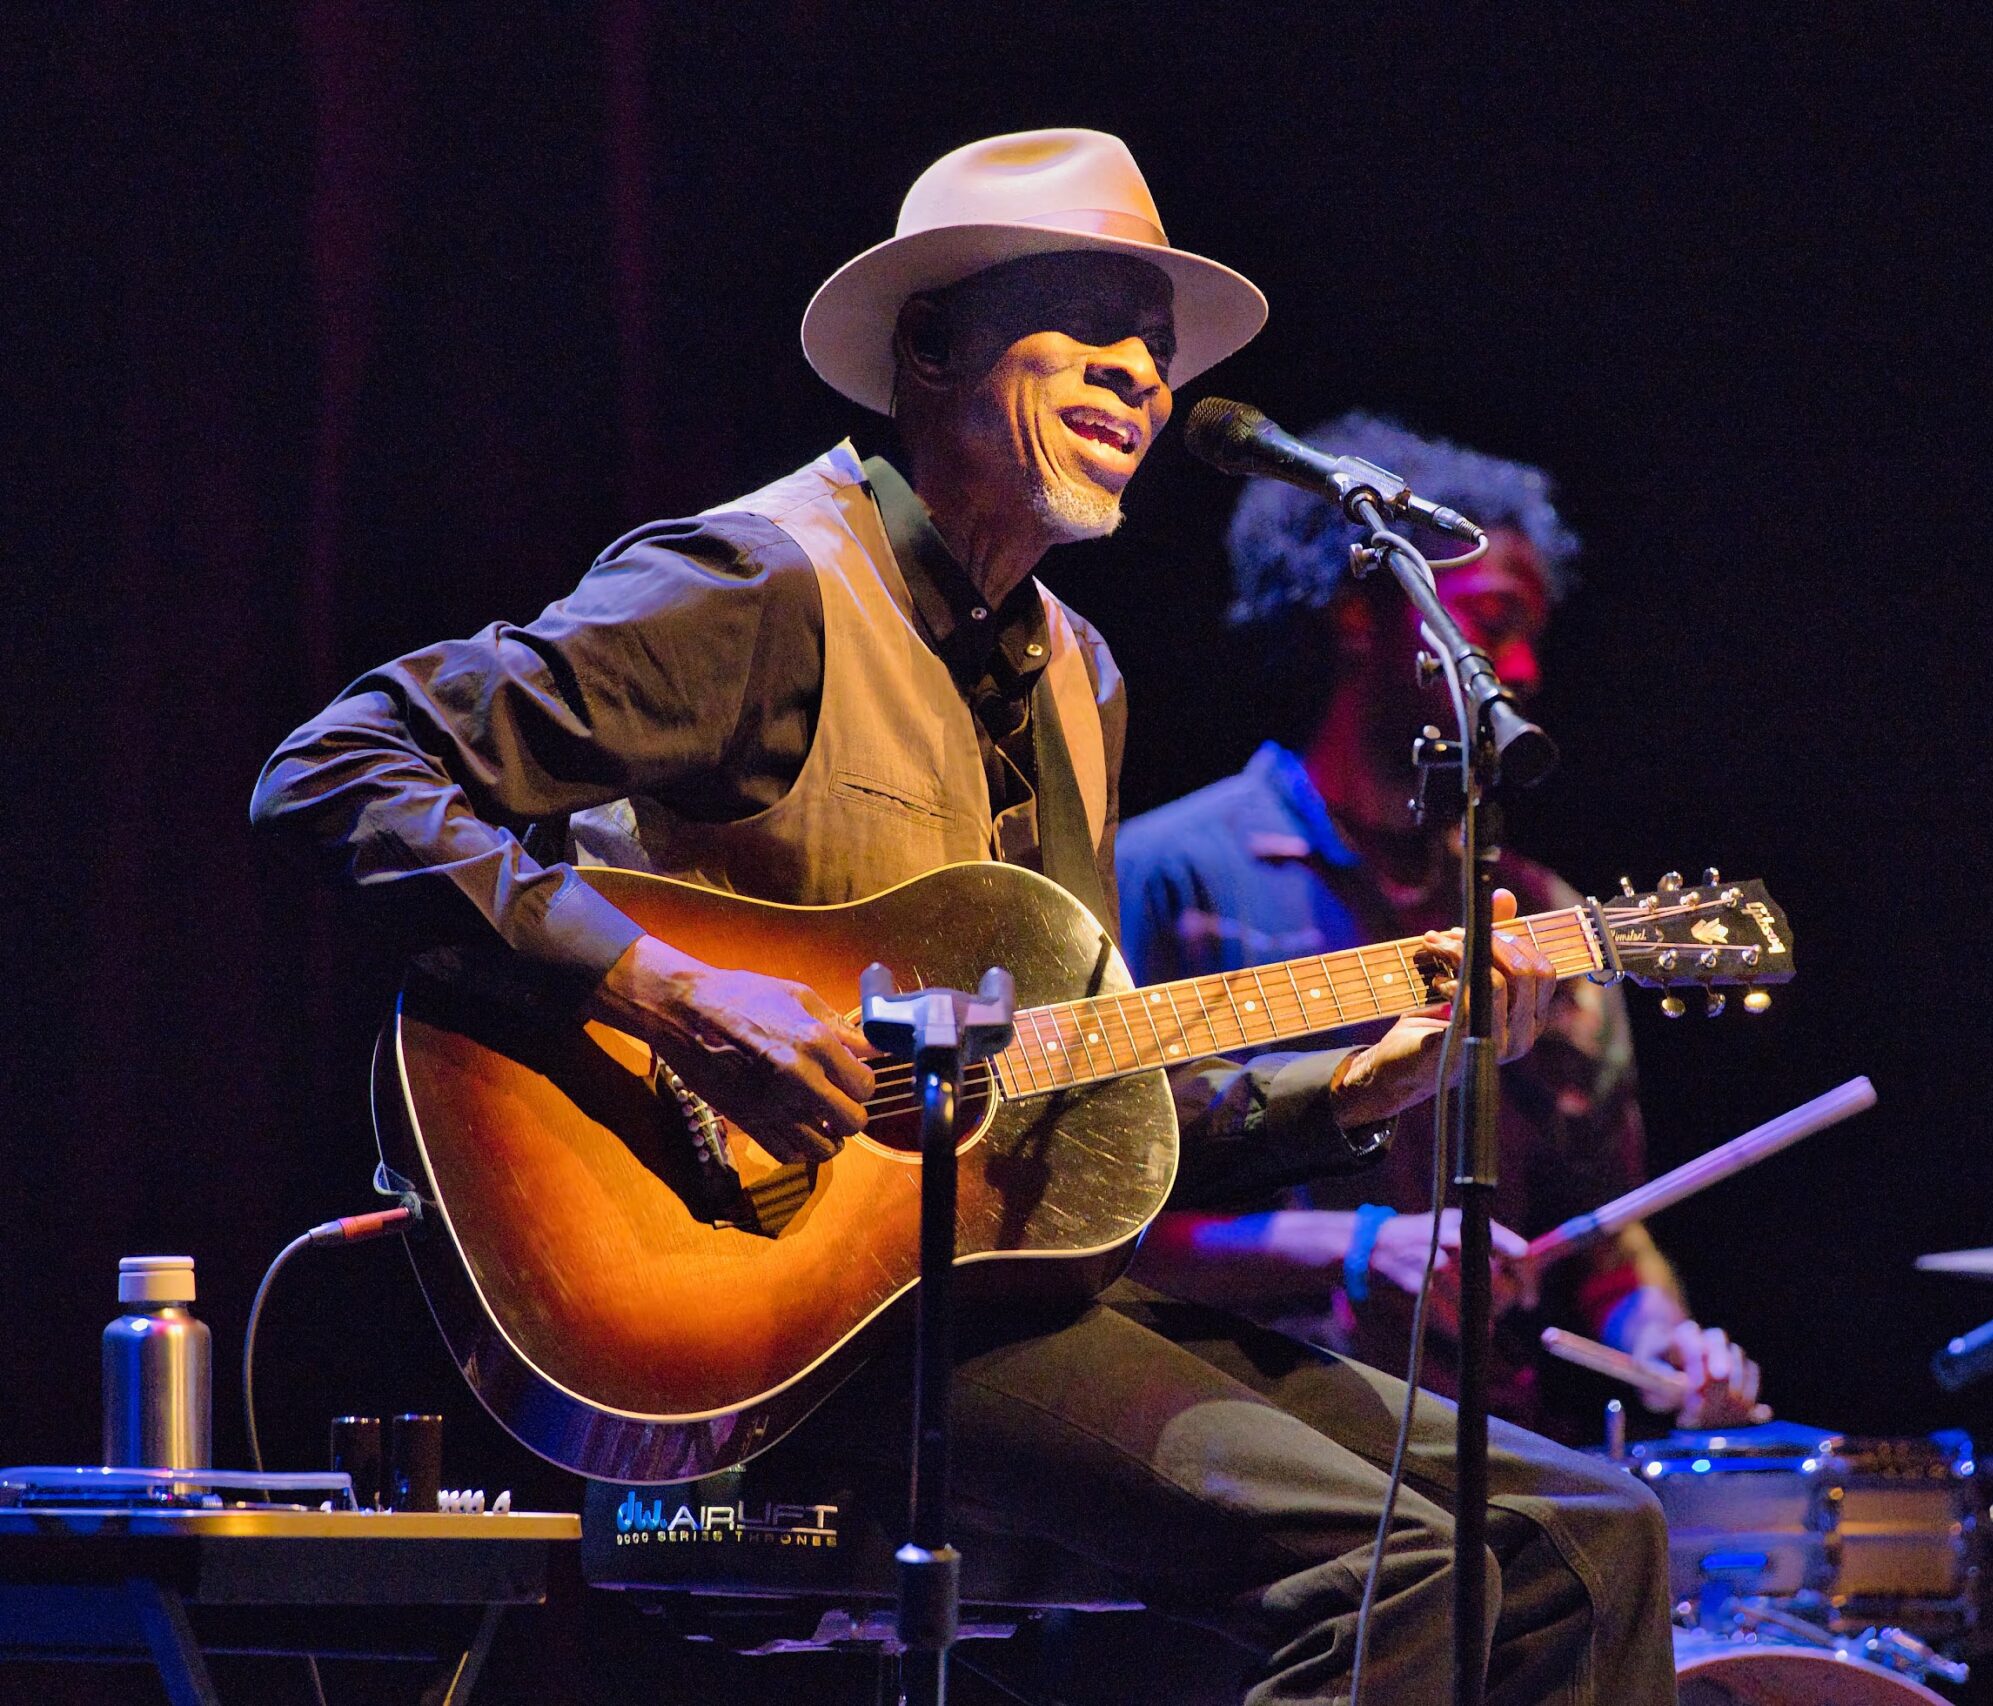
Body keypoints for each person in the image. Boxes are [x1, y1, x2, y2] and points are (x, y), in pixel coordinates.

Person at [251, 132, 1673, 1704]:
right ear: (930, 346)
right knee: (1402, 1563)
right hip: (782, 1299)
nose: (1145, 377)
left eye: (1160, 349)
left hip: (1005, 1287)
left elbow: (1074, 1092)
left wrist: (1350, 1085)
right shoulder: (759, 585)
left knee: (1595, 1535)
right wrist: (672, 993)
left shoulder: (1083, 675)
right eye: (1093, 326)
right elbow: (336, 769)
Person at [1117, 415, 1765, 1441]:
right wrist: (1351, 1246)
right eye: (1491, 623)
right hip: (1230, 1421)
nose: (1524, 667)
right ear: (1358, 615)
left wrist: (1662, 1339)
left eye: (1531, 633)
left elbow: (1603, 1235)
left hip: (1481, 1435)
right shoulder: (1169, 872)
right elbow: (1090, 1220)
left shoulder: (1541, 915)